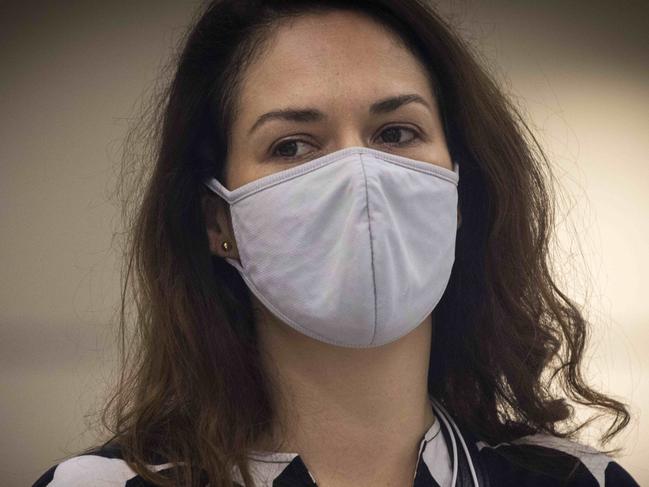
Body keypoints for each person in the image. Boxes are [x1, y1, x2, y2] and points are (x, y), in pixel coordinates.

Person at [32, 1, 639, 486]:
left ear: (457, 191)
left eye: (396, 132)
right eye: (293, 145)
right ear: (219, 222)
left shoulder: (578, 481)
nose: (361, 177)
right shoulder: (97, 484)